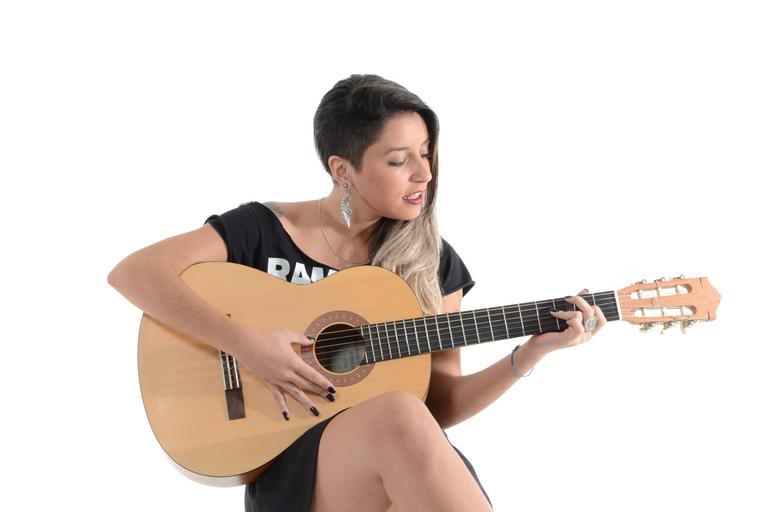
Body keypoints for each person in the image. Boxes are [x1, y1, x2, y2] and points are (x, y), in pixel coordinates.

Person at [107, 73, 607, 512]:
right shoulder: (261, 229)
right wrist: (246, 345)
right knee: (397, 413)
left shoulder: (431, 261)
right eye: (399, 160)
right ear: (342, 169)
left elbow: (438, 405)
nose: (424, 174)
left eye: (426, 153)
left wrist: (531, 353)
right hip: (296, 472)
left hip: (398, 459)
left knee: (406, 417)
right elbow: (135, 273)